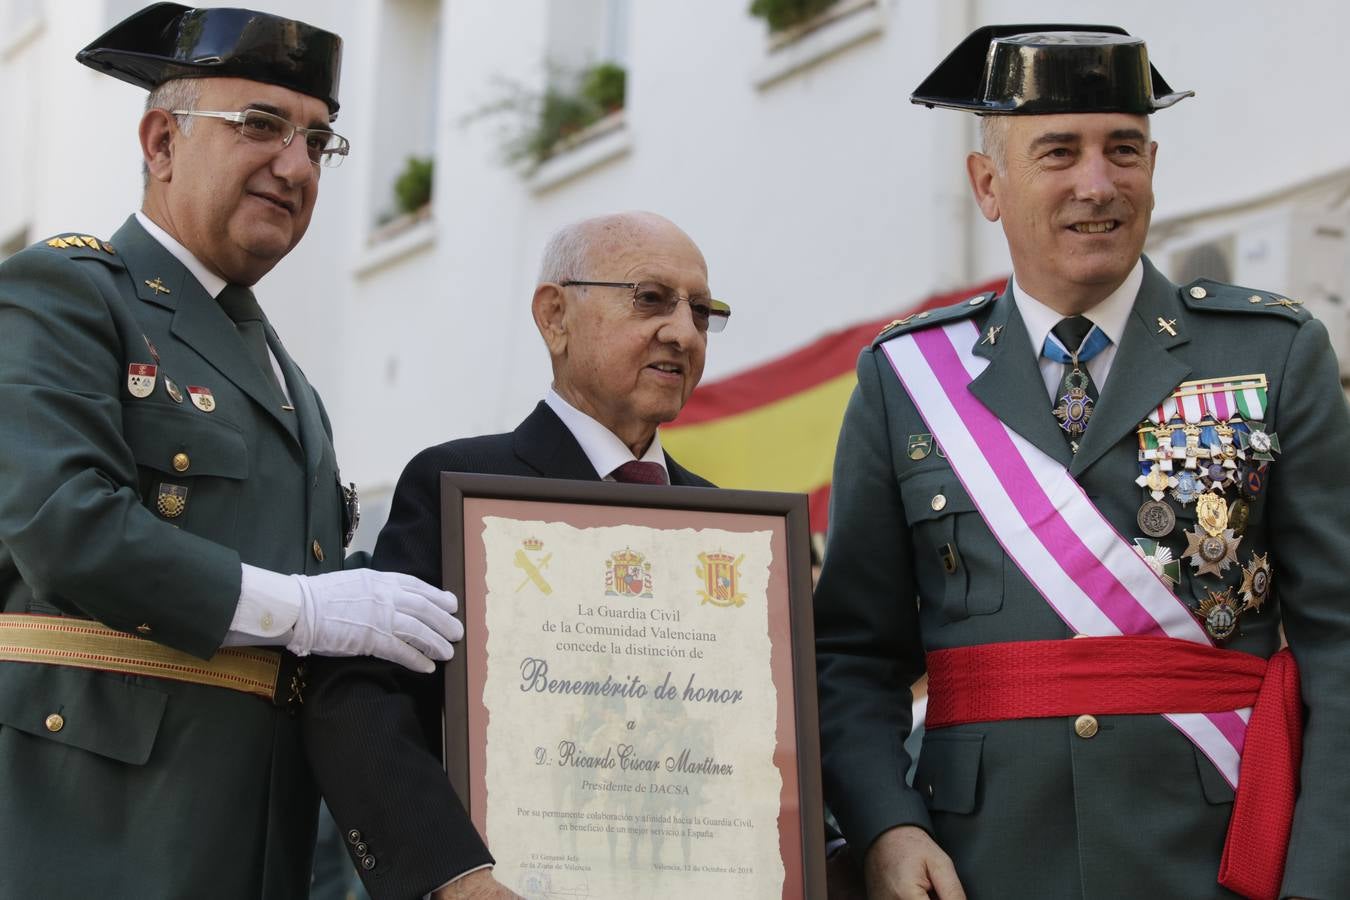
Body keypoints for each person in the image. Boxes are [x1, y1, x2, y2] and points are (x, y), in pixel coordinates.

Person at [815, 24, 1346, 900]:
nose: (1097, 184)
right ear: (989, 184)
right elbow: (852, 655)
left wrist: (1320, 880)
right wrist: (886, 827)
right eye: (1058, 152)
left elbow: (1339, 649)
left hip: (1217, 867)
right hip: (981, 870)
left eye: (1124, 151)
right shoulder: (907, 377)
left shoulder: (1275, 353)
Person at [0, 5, 464, 897]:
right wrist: (304, 608)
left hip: (258, 855)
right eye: (260, 126)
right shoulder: (64, 294)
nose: (294, 166)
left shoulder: (295, 386)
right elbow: (66, 528)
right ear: (162, 141)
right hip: (86, 840)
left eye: (319, 142)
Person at [303, 211, 722, 899]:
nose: (683, 332)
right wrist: (453, 874)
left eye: (703, 312)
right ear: (555, 315)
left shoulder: (729, 533)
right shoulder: (460, 491)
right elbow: (359, 695)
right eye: (651, 299)